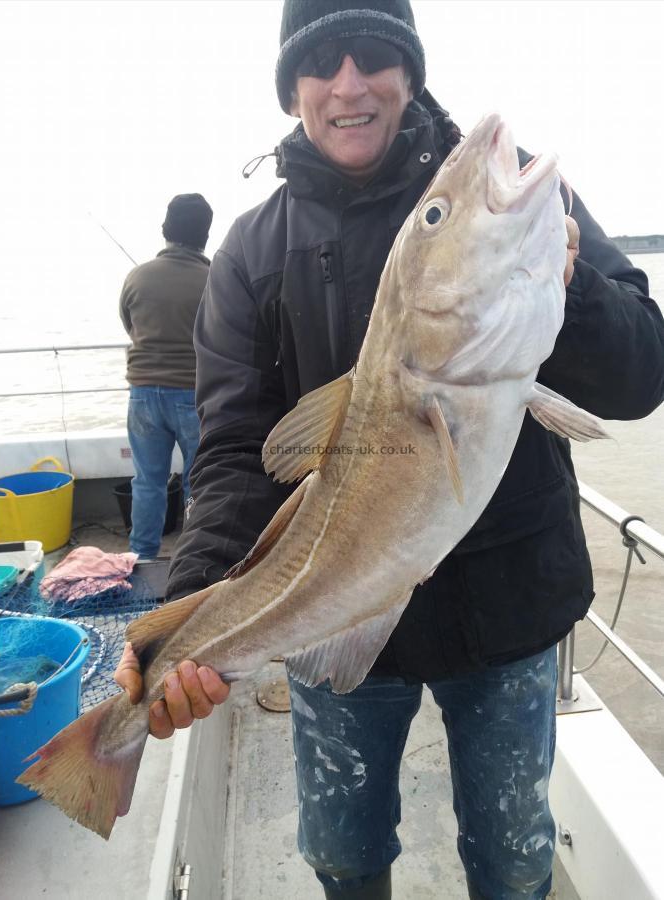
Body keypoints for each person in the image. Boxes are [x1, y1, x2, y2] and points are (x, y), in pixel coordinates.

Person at [115, 3, 664, 897]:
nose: (348, 82)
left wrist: (574, 290)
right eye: (320, 62)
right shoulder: (253, 250)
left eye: (374, 55)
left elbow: (643, 374)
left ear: (408, 71)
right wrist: (190, 611)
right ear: (291, 89)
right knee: (339, 849)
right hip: (337, 612)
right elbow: (234, 452)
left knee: (515, 851)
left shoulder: (527, 203)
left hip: (508, 607)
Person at [119, 193, 213, 561]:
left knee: (147, 481)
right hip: (193, 395)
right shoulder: (214, 278)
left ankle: (142, 555)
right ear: (205, 235)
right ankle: (193, 556)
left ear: (165, 229)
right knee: (198, 482)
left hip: (142, 395)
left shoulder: (137, 276)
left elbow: (130, 325)